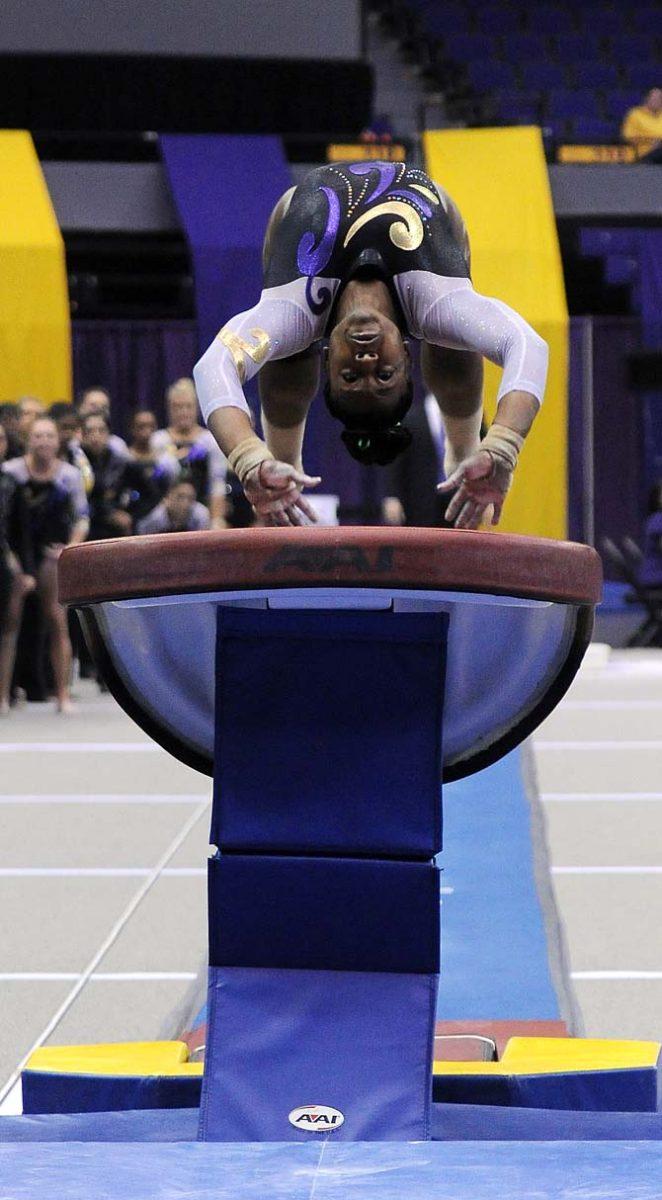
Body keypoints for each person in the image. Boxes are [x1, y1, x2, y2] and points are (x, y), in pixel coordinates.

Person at [193, 160, 548, 529]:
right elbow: (528, 345)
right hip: (442, 225)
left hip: (290, 221)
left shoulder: (295, 311)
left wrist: (249, 457)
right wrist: (503, 445)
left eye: (350, 375)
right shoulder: (437, 303)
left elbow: (213, 367)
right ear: (407, 357)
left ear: (327, 360)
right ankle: (465, 459)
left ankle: (279, 480)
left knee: (286, 351)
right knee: (453, 342)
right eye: (384, 374)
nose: (366, 361)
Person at [3, 417, 89, 712]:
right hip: (18, 551)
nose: (44, 442)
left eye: (49, 436)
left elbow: (81, 518)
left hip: (52, 551)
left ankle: (62, 694)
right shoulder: (11, 472)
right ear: (29, 440)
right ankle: (3, 695)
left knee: (57, 619)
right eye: (38, 436)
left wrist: (70, 548)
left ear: (57, 442)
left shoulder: (69, 475)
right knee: (10, 624)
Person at [152, 378, 228, 527]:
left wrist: (217, 519)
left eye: (188, 406)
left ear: (197, 408)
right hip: (165, 509)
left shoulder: (209, 440)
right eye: (178, 407)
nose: (183, 412)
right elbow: (157, 478)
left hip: (200, 509)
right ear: (169, 409)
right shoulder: (159, 439)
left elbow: (217, 482)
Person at [0, 423, 36, 715]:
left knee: (8, 631)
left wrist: (26, 571)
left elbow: (22, 535)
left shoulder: (12, 484)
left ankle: (2, 694)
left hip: (6, 563)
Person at [120, 409, 179, 527]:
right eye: (141, 426)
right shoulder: (125, 458)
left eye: (151, 426)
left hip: (162, 511)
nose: (146, 431)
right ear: (132, 429)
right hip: (135, 512)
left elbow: (174, 485)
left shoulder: (165, 460)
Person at [81, 412, 133, 540]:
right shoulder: (76, 461)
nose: (96, 436)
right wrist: (108, 515)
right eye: (90, 431)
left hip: (115, 526)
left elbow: (148, 491)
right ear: (81, 435)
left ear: (109, 434)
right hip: (87, 523)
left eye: (101, 431)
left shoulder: (120, 461)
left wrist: (132, 514)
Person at [136, 478, 211, 535]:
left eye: (190, 498)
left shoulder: (201, 515)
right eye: (180, 497)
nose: (185, 503)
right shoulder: (155, 518)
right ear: (167, 498)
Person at [49, 401, 94, 493]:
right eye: (64, 427)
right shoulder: (40, 455)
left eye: (73, 428)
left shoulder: (78, 454)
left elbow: (88, 484)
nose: (69, 433)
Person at [76, 387, 130, 458]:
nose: (98, 410)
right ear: (80, 408)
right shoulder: (70, 443)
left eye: (104, 407)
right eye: (93, 406)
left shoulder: (117, 445)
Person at [621, 88, 662, 162]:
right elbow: (627, 137)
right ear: (647, 99)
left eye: (660, 99)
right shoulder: (635, 114)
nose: (659, 101)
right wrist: (651, 141)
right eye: (655, 99)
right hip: (646, 153)